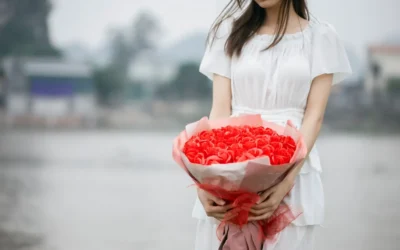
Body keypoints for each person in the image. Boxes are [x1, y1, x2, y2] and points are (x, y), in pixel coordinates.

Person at [193, 0, 352, 249]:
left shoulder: (321, 37)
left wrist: (286, 183)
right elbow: (220, 112)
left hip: (293, 171)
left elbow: (313, 117)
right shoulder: (227, 31)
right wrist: (207, 183)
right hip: (230, 165)